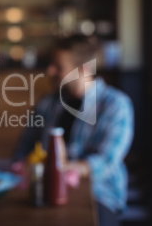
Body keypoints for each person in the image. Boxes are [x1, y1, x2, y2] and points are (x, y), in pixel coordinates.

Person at [13, 35, 134, 226]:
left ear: (83, 69)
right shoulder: (47, 103)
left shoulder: (115, 104)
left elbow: (106, 160)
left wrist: (65, 170)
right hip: (43, 191)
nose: (49, 70)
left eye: (58, 66)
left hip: (98, 195)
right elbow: (24, 147)